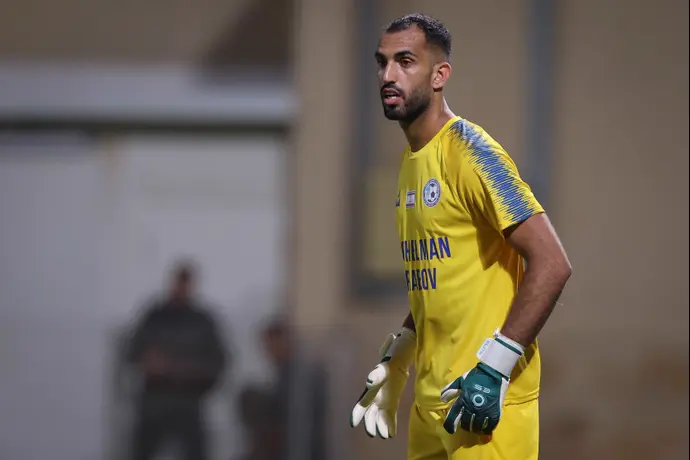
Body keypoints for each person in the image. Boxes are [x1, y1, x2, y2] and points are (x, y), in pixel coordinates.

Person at [350, 13, 572, 460]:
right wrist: (400, 356)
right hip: (433, 404)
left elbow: (552, 263)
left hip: (484, 402)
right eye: (382, 62)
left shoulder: (472, 151)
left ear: (439, 75)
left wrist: (495, 368)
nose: (388, 75)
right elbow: (439, 280)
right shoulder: (411, 161)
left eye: (405, 62)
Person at [127, 261, 227, 460]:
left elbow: (219, 361)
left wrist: (188, 372)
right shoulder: (154, 317)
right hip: (155, 401)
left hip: (188, 401)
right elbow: (132, 352)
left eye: (186, 283)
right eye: (179, 282)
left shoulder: (202, 321)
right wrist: (149, 361)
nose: (182, 288)